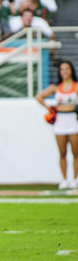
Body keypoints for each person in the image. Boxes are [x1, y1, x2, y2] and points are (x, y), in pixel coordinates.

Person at [35, 61, 78, 189]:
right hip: (60, 122)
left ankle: (75, 179)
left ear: (71, 71)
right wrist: (50, 108)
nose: (64, 71)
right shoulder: (56, 88)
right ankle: (64, 179)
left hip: (73, 121)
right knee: (62, 152)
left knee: (75, 152)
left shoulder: (75, 87)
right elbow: (39, 96)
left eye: (67, 69)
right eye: (62, 69)